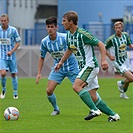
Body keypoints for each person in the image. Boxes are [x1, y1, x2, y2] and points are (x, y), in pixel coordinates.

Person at [55, 11, 120, 122]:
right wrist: (61, 62)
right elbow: (70, 49)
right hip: (84, 68)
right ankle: (114, 115)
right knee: (93, 97)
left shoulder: (83, 34)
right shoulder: (69, 36)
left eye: (64, 21)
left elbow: (101, 44)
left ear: (71, 22)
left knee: (76, 86)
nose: (62, 23)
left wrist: (104, 60)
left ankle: (94, 110)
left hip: (90, 66)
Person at [35, 16, 80, 115]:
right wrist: (39, 73)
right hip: (58, 69)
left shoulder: (64, 38)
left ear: (56, 27)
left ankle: (93, 108)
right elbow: (42, 57)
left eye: (52, 27)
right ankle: (56, 109)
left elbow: (73, 49)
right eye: (48, 27)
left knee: (81, 89)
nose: (50, 29)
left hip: (72, 67)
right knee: (49, 90)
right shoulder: (44, 42)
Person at [105, 21, 133, 99]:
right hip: (117, 62)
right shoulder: (111, 39)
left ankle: (123, 94)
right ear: (114, 29)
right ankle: (120, 83)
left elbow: (130, 45)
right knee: (131, 78)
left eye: (119, 27)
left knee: (128, 79)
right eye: (116, 28)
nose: (118, 29)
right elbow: (103, 48)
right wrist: (110, 56)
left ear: (122, 28)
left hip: (125, 60)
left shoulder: (125, 35)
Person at [0, 14, 21, 99]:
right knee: (3, 73)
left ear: (8, 21)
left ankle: (15, 93)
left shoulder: (13, 30)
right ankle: (3, 90)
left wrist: (12, 51)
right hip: (2, 56)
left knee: (13, 74)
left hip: (11, 56)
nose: (3, 22)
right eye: (2, 21)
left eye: (5, 21)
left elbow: (18, 42)